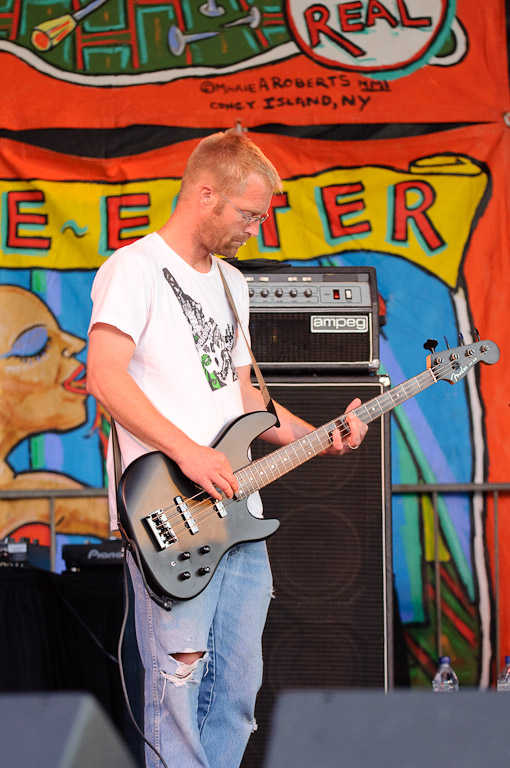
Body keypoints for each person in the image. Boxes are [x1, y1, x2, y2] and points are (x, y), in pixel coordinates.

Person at [86, 127, 368, 768]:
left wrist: (316, 436)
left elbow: (248, 398)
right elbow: (104, 376)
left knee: (236, 694)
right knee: (179, 684)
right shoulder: (134, 269)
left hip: (238, 511)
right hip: (169, 509)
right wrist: (188, 451)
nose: (254, 229)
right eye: (247, 214)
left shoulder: (233, 285)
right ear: (204, 193)